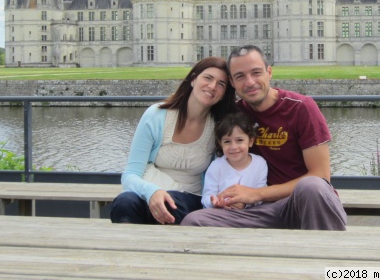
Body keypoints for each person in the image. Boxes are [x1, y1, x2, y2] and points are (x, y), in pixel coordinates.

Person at [182, 45, 347, 230]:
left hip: (302, 203)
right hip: (260, 211)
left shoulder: (301, 108)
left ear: (269, 72)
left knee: (312, 187)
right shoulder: (235, 115)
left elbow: (321, 175)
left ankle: (326, 254)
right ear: (232, 82)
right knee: (194, 221)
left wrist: (257, 194)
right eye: (240, 76)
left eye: (256, 72)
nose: (250, 82)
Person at [110, 57, 236, 225]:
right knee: (125, 203)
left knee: (170, 205)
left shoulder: (219, 127)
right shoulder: (156, 116)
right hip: (151, 191)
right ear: (193, 79)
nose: (212, 86)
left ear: (223, 94)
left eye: (221, 84)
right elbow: (130, 175)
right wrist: (153, 192)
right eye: (208, 78)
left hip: (189, 199)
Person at [201, 111, 267, 209]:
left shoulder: (260, 163)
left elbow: (261, 196)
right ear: (220, 143)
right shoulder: (216, 166)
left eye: (239, 140)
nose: (233, 147)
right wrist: (215, 203)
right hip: (220, 214)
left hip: (250, 214)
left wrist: (245, 204)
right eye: (227, 141)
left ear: (251, 141)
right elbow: (206, 197)